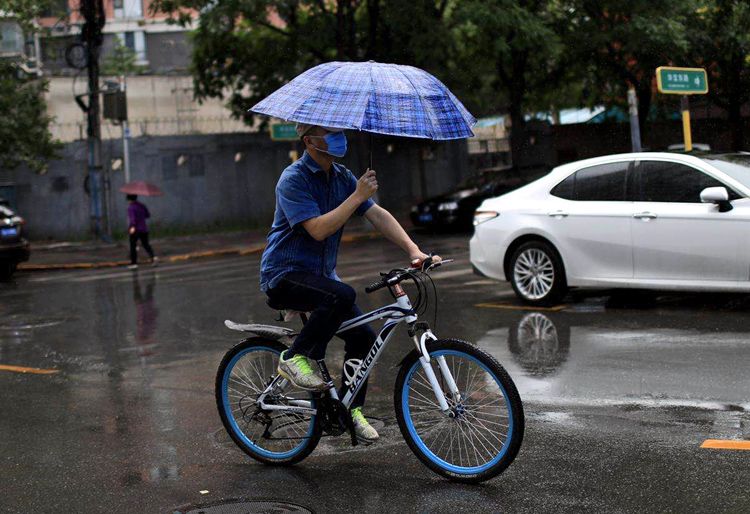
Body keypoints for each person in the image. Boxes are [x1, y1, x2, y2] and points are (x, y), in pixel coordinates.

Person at [260, 123, 441, 441]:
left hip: (321, 278)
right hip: (284, 275)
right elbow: (317, 229)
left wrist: (414, 250)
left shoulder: (341, 177)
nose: (338, 138)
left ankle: (350, 408)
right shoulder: (293, 179)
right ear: (310, 141)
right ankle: (293, 357)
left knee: (364, 338)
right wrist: (357, 195)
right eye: (329, 133)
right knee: (340, 294)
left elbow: (377, 215)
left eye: (338, 131)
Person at [126, 194, 157, 269]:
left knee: (133, 246)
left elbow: (133, 218)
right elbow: (147, 215)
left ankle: (134, 263)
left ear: (129, 200)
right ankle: (153, 258)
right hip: (144, 228)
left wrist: (132, 226)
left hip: (135, 229)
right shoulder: (142, 205)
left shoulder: (131, 207)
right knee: (146, 244)